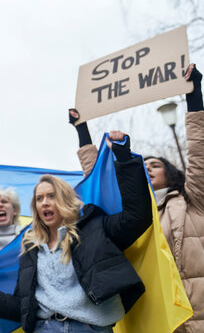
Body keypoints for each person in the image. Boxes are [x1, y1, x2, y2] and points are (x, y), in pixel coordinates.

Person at [0, 132, 153, 333]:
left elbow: (137, 218)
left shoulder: (94, 227)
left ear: (65, 200)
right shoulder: (31, 248)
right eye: (39, 198)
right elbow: (19, 307)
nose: (45, 202)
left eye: (51, 196)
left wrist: (124, 157)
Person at [69, 63, 204, 332]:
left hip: (196, 313)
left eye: (155, 165)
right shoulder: (127, 212)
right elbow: (97, 182)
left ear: (171, 173)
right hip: (153, 315)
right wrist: (82, 130)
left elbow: (199, 153)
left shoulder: (192, 200)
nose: (148, 168)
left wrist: (194, 95)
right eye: (145, 166)